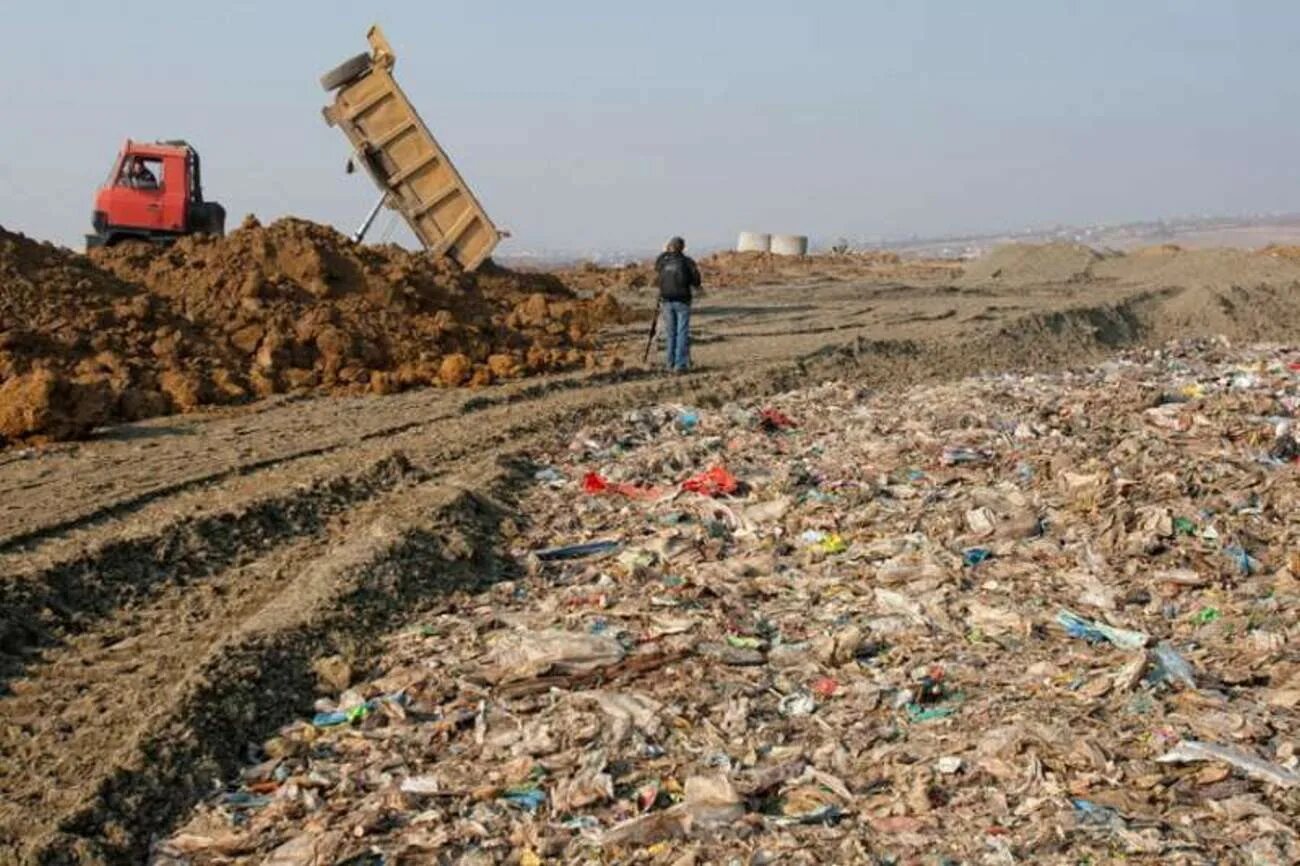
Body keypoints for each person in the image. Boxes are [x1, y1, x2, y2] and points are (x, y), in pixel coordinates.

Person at [653, 236, 701, 373]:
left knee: (671, 333)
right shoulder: (687, 262)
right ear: (683, 248)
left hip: (666, 300)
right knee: (682, 332)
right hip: (683, 301)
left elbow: (657, 266)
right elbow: (697, 281)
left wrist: (665, 251)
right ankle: (680, 364)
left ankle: (670, 362)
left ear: (670, 247)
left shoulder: (663, 261)